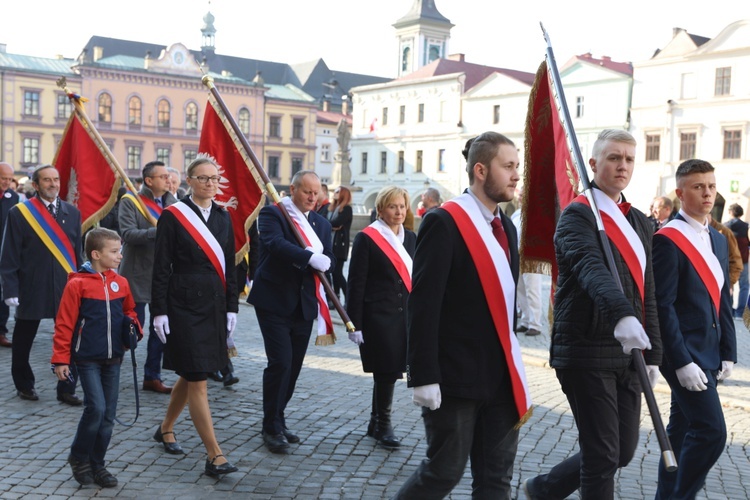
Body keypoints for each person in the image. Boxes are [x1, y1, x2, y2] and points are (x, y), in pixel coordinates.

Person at [524, 129, 662, 500]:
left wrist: (655, 353)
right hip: (585, 347)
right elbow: (591, 269)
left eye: (629, 159)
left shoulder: (639, 222)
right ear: (593, 163)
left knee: (624, 451)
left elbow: (647, 291)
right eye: (614, 158)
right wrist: (621, 315)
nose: (622, 166)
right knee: (602, 456)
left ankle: (545, 488)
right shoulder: (577, 216)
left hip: (629, 352)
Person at [394, 132, 530, 498]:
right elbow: (423, 304)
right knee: (443, 472)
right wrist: (422, 374)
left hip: (501, 377)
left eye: (518, 166)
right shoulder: (445, 222)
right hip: (454, 377)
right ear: (481, 170)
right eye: (508, 166)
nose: (517, 175)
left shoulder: (508, 226)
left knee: (496, 480)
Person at [652, 159, 737, 499]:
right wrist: (681, 361)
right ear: (680, 192)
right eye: (698, 186)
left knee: (679, 431)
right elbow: (662, 305)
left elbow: (721, 300)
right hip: (684, 354)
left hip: (709, 350)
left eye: (711, 186)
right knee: (713, 432)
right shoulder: (668, 239)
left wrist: (729, 351)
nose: (707, 193)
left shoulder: (717, 240)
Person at [151, 156, 239, 477]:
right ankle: (214, 455)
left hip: (213, 304)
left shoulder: (222, 216)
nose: (210, 184)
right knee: (198, 378)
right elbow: (160, 267)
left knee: (191, 374)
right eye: (203, 179)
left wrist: (232, 306)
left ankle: (165, 427)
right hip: (183, 304)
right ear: (190, 180)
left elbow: (230, 266)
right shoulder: (173, 216)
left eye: (215, 179)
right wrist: (158, 311)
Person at [248, 170, 334, 454]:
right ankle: (270, 427)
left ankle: (279, 417)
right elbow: (275, 244)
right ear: (293, 190)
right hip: (274, 299)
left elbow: (328, 259)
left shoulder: (321, 223)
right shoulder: (274, 214)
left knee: (294, 367)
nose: (312, 197)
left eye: (316, 192)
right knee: (281, 363)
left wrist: (326, 265)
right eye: (307, 191)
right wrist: (309, 257)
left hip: (304, 303)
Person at [51, 228, 142, 488]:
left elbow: (130, 310)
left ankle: (97, 464)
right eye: (114, 252)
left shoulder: (120, 282)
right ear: (96, 254)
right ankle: (78, 457)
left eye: (119, 250)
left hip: (114, 358)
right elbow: (64, 323)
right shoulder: (77, 284)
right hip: (87, 359)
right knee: (96, 409)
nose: (120, 256)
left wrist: (134, 326)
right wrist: (60, 359)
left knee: (109, 414)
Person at [0, 165, 83, 405]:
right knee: (24, 340)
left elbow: (77, 254)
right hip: (31, 285)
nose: (53, 184)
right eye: (47, 180)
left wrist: (82, 283)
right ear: (35, 185)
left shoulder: (72, 212)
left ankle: (67, 387)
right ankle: (24, 384)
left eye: (56, 179)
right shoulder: (20, 213)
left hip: (66, 287)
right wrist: (10, 289)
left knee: (68, 337)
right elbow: (10, 254)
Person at [346, 186, 416, 450]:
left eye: (402, 206)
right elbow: (356, 283)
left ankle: (376, 422)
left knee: (390, 369)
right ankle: (384, 423)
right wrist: (354, 323)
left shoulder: (411, 238)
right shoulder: (368, 238)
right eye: (392, 207)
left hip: (404, 316)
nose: (398, 212)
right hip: (378, 316)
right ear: (380, 210)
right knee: (386, 370)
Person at [119, 161, 177, 395]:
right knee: (133, 326)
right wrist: (159, 231)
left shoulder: (173, 201)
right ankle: (110, 366)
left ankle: (152, 376)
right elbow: (128, 234)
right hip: (137, 274)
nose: (168, 180)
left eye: (168, 176)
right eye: (163, 177)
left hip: (164, 274)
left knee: (160, 328)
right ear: (149, 180)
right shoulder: (131, 201)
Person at [510, 188, 543, 337]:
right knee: (520, 289)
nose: (520, 197)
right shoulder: (516, 214)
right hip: (517, 255)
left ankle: (535, 324)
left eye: (524, 195)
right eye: (520, 195)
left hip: (531, 256)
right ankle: (525, 320)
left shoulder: (536, 214)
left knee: (532, 290)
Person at [0, 162, 20, 348]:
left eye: (9, 179)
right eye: (3, 178)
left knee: (3, 292)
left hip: (3, 252)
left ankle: (1, 331)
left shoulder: (12, 197)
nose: (6, 182)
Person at [327, 186, 353, 303]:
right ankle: (335, 298)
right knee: (334, 273)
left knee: (338, 273)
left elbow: (337, 222)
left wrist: (330, 225)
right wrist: (331, 225)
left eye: (337, 191)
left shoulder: (346, 209)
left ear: (343, 194)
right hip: (332, 243)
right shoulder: (333, 208)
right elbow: (330, 223)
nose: (335, 193)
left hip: (340, 245)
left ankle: (348, 298)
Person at [725, 203, 749, 317]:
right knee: (744, 286)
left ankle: (729, 311)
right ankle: (739, 313)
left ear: (730, 212)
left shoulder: (725, 226)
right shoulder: (746, 227)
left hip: (729, 261)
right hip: (743, 260)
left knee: (729, 284)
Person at [708, 214, 742, 288]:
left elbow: (735, 259)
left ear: (709, 214)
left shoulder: (724, 231)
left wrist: (728, 283)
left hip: (722, 286)